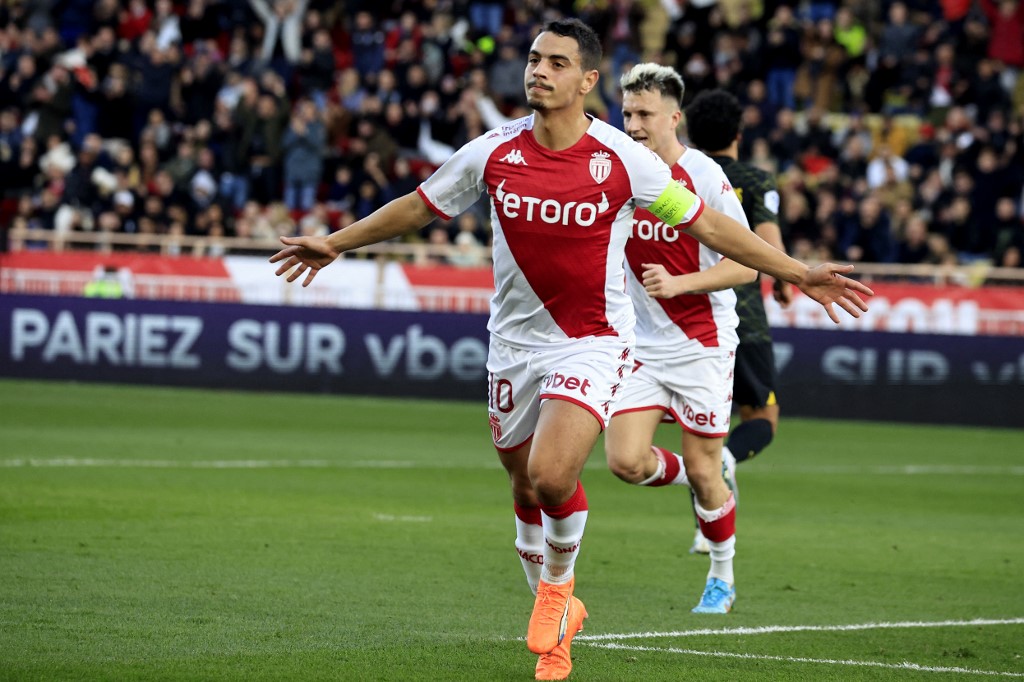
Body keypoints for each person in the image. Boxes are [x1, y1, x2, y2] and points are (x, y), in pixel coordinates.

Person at [269, 19, 872, 681]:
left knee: (556, 476)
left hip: (593, 342)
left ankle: (558, 594)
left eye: (557, 62)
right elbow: (418, 207)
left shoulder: (624, 160)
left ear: (587, 80)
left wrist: (794, 271)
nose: (538, 71)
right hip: (512, 348)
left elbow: (707, 224)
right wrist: (335, 242)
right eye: (533, 59)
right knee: (523, 486)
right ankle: (560, 623)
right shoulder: (493, 152)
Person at [605, 63, 755, 615]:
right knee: (624, 462)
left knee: (703, 467)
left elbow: (747, 268)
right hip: (640, 347)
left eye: (644, 114)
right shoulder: (620, 175)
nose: (634, 124)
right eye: (626, 113)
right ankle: (702, 480)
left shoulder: (707, 177)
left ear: (674, 117)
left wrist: (680, 283)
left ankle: (721, 577)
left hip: (702, 344)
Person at [684, 88, 795, 554]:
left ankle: (704, 532)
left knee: (700, 432)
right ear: (739, 132)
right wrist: (788, 280)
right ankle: (728, 461)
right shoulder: (754, 178)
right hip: (741, 317)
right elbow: (766, 244)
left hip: (686, 316)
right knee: (760, 418)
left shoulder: (682, 175)